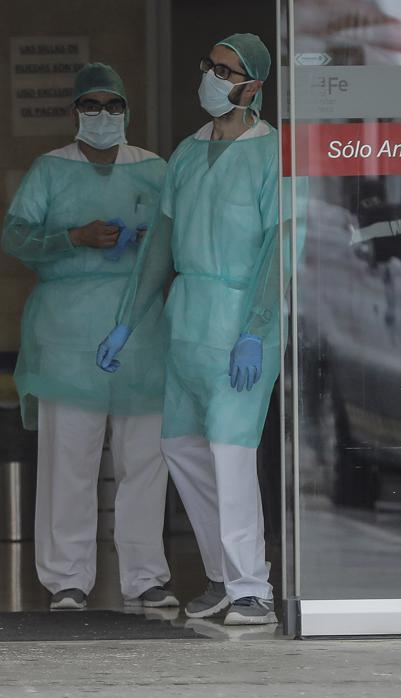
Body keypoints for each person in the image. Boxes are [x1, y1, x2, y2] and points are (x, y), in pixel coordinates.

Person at [97, 34, 293, 625]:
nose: (210, 75)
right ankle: (222, 577)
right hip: (187, 322)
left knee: (233, 457)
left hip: (240, 321)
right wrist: (126, 322)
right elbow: (159, 244)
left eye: (226, 70)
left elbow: (279, 249)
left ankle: (254, 588)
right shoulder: (186, 153)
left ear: (252, 87)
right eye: (208, 64)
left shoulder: (272, 154)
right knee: (181, 447)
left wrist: (258, 327)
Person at [3, 63, 176, 611]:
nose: (103, 116)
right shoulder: (50, 169)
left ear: (128, 110)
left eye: (113, 106)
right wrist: (73, 237)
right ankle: (67, 580)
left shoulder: (155, 168)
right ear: (75, 112)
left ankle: (146, 576)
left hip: (142, 331)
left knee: (145, 460)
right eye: (91, 106)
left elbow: (182, 235)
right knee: (68, 459)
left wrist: (152, 243)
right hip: (66, 336)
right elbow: (16, 237)